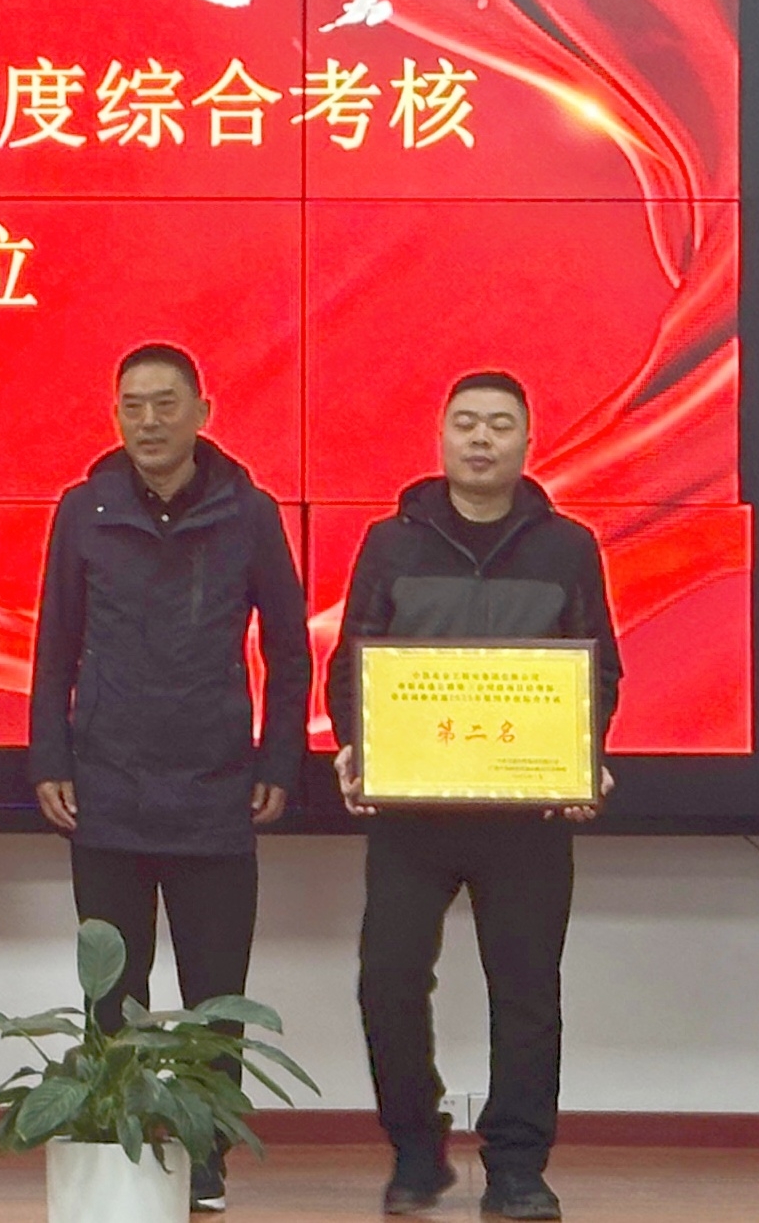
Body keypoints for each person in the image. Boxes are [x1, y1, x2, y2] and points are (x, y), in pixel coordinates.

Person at [326, 372, 622, 1223]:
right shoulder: (391, 542)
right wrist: (356, 747)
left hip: (527, 819)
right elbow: (353, 662)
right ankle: (416, 1150)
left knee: (527, 995)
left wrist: (582, 758)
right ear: (441, 437)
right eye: (465, 423)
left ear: (528, 441)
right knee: (387, 982)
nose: (481, 438)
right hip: (412, 816)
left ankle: (518, 1168)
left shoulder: (568, 547)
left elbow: (598, 669)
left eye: (499, 424)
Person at [28, 343, 311, 1212]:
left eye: (164, 404)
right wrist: (50, 758)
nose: (147, 422)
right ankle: (122, 1143)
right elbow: (54, 646)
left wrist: (279, 760)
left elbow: (290, 651)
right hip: (107, 785)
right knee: (113, 990)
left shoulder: (249, 512)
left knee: (215, 994)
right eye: (132, 406)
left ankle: (207, 1155)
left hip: (215, 786)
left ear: (202, 412)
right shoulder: (84, 510)